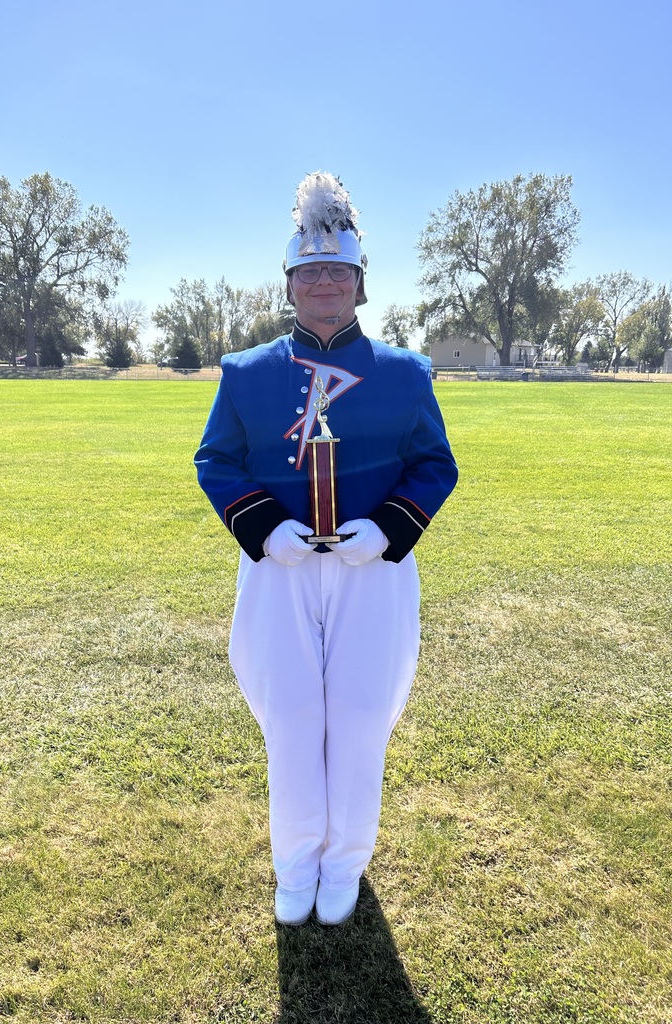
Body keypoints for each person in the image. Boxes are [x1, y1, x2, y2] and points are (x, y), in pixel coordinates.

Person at [194, 172, 458, 926]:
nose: (323, 283)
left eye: (337, 271)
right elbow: (216, 460)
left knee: (361, 713)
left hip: (371, 570)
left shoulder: (407, 373)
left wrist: (390, 529)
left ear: (359, 284)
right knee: (292, 718)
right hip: (278, 570)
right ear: (290, 285)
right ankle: (294, 862)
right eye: (309, 272)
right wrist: (262, 528)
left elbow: (435, 463)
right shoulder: (245, 373)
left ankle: (344, 863)